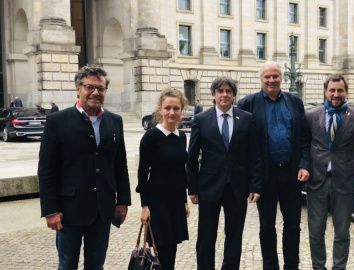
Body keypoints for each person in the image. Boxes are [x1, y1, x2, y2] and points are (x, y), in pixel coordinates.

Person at [38, 64, 131, 270]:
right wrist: (50, 210)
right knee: (67, 264)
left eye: (101, 88)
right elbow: (46, 170)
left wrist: (123, 201)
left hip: (102, 209)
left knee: (96, 265)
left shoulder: (115, 121)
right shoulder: (57, 121)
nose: (95, 93)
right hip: (69, 210)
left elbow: (120, 164)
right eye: (89, 87)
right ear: (78, 88)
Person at [237, 61, 310, 270]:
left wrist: (304, 164)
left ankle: (292, 266)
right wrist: (251, 180)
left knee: (293, 225)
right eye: (267, 77)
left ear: (281, 78)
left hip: (291, 173)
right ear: (261, 80)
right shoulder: (247, 104)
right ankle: (270, 266)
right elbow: (242, 145)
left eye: (275, 76)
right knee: (267, 226)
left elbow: (304, 138)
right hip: (265, 175)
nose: (272, 80)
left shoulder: (294, 102)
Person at [187, 76, 261, 270]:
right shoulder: (202, 119)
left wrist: (255, 186)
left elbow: (254, 155)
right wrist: (192, 189)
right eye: (220, 91)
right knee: (206, 236)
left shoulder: (246, 118)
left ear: (234, 95)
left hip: (237, 187)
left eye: (228, 91)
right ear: (213, 95)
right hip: (209, 187)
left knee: (234, 236)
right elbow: (192, 157)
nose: (224, 95)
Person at [305, 74, 354, 270]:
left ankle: (339, 267)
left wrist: (344, 163)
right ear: (325, 91)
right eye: (332, 90)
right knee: (316, 231)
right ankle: (318, 267)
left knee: (342, 232)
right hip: (317, 181)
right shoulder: (311, 116)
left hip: (344, 181)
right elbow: (306, 145)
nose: (336, 94)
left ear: (346, 92)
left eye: (340, 90)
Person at [136, 88, 190, 270]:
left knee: (172, 248)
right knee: (160, 251)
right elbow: (143, 173)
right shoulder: (151, 136)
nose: (172, 112)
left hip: (175, 201)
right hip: (157, 202)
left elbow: (181, 171)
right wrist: (144, 206)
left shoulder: (181, 137)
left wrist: (184, 201)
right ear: (160, 110)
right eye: (168, 108)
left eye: (176, 108)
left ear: (181, 110)